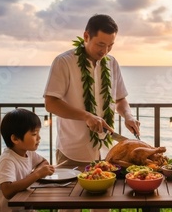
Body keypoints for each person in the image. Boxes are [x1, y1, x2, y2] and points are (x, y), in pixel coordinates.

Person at [44, 14, 140, 169]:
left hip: (107, 154)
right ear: (86, 36)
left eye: (110, 46)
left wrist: (128, 116)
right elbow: (51, 103)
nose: (105, 51)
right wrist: (87, 116)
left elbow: (120, 100)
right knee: (71, 194)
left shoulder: (112, 63)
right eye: (100, 44)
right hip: (74, 152)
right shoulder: (64, 62)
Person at [0, 108, 55, 212]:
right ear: (15, 139)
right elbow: (7, 191)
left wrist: (37, 172)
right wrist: (36, 175)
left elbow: (43, 162)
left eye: (38, 133)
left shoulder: (28, 152)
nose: (39, 137)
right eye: (34, 134)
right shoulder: (7, 160)